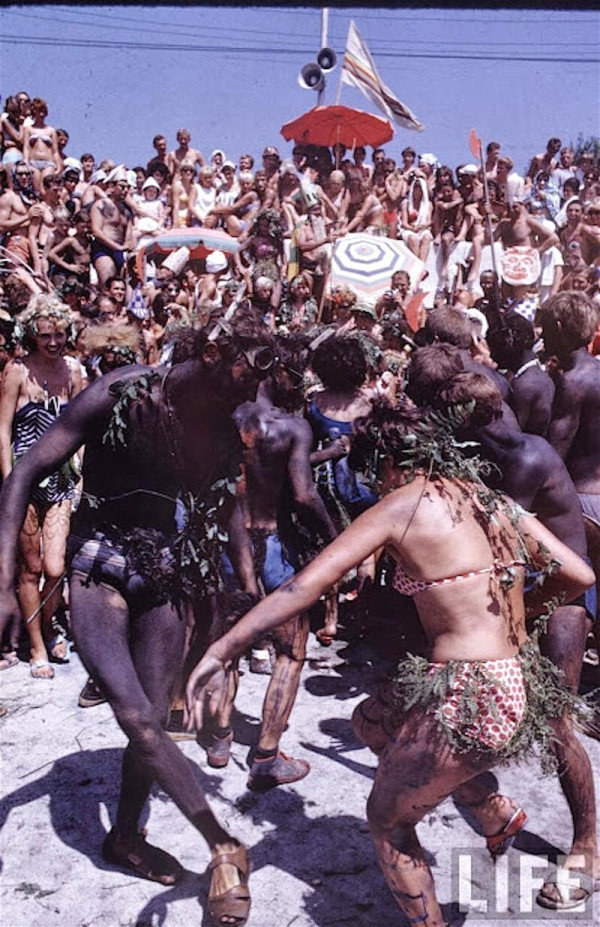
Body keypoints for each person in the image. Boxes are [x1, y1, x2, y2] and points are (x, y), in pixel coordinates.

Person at [186, 400, 596, 927]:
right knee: (370, 723)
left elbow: (302, 587)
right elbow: (579, 575)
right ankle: (493, 810)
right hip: (510, 680)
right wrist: (519, 615)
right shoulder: (486, 496)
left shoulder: (400, 506)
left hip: (471, 697)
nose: (376, 483)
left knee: (387, 823)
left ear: (386, 462)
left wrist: (221, 650)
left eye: (373, 471)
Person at [0, 316, 277, 927]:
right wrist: (2, 585)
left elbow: (227, 504)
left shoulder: (223, 421)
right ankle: (223, 845)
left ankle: (125, 836)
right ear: (211, 352)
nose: (248, 394)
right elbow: (23, 473)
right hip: (98, 567)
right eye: (241, 376)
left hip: (166, 572)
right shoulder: (121, 392)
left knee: (151, 722)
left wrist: (248, 585)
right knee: (134, 716)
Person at [207, 335, 337, 786]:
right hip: (274, 547)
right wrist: (335, 538)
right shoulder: (292, 427)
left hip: (230, 545)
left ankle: (220, 740)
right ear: (277, 372)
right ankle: (265, 756)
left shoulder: (223, 420)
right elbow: (303, 495)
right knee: (290, 652)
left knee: (228, 647)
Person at [0, 295, 83, 678]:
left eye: (59, 334)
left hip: (62, 478)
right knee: (31, 568)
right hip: (25, 477)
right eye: (46, 335)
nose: (53, 342)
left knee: (55, 566)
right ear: (33, 334)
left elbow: (81, 427)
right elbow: (3, 430)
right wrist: (9, 481)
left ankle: (49, 624)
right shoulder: (17, 371)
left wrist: (81, 472)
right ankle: (37, 644)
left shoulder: (73, 370)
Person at [89, 169, 134, 288]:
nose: (125, 190)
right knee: (107, 284)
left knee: (121, 287)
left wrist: (127, 250)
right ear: (112, 186)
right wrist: (117, 247)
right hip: (103, 248)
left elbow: (129, 236)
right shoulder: (101, 204)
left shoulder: (126, 211)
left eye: (127, 187)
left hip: (120, 251)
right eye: (122, 187)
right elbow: (96, 231)